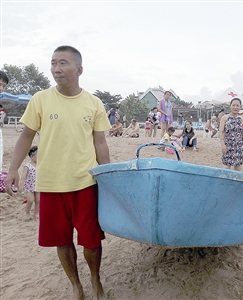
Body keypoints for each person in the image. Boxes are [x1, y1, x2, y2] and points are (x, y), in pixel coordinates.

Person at [5, 45, 111, 300]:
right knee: (61, 240)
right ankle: (76, 286)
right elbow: (26, 136)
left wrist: (108, 176)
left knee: (91, 240)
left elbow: (100, 143)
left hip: (85, 181)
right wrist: (12, 169)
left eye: (63, 63)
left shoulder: (93, 103)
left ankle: (96, 280)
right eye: (53, 63)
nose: (56, 68)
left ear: (79, 69)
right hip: (50, 183)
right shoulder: (40, 99)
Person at [220, 98, 243, 171]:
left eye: (237, 105)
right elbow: (221, 132)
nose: (235, 107)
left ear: (240, 107)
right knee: (226, 168)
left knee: (238, 168)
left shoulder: (241, 119)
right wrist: (222, 144)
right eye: (233, 105)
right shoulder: (225, 118)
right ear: (230, 106)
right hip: (228, 145)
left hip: (239, 146)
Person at [19, 146, 40, 221]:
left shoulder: (40, 165)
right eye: (38, 155)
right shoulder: (27, 166)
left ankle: (36, 213)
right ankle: (27, 213)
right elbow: (23, 176)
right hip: (29, 186)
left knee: (38, 200)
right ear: (32, 156)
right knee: (30, 200)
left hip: (37, 186)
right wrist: (21, 185)